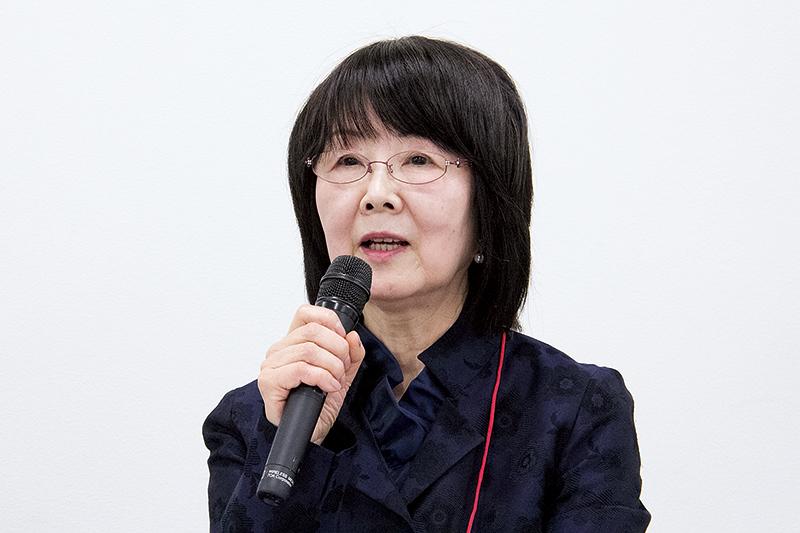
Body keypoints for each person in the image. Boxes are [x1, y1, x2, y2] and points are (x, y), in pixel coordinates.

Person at [203, 36, 650, 532]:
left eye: (419, 160)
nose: (376, 194)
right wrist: (291, 443)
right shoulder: (251, 418)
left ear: (489, 204)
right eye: (347, 161)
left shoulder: (574, 407)